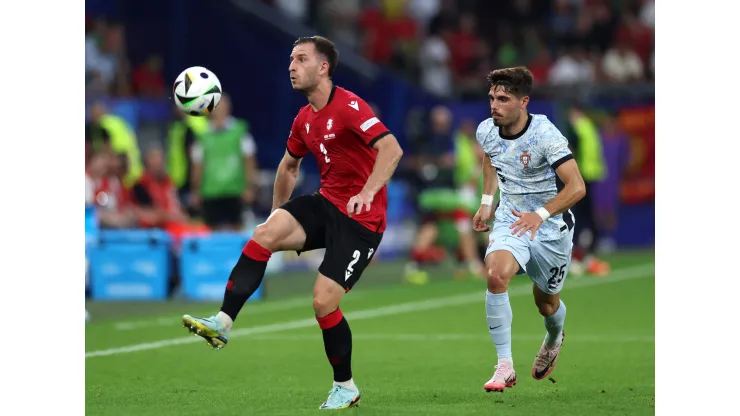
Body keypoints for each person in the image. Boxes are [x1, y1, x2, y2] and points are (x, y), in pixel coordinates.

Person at [181, 36, 404, 409]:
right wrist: (277, 215)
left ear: (323, 67)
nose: (291, 66)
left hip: (361, 222)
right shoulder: (304, 119)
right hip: (327, 203)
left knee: (322, 303)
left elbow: (392, 149)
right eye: (290, 60)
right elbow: (288, 166)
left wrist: (368, 191)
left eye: (301, 59)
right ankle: (222, 322)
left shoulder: (350, 106)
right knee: (263, 234)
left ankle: (345, 386)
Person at [472, 67, 586, 393]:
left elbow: (576, 187)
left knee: (546, 304)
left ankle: (554, 335)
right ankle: (504, 365)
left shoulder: (545, 135)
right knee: (495, 274)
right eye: (492, 97)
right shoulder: (487, 131)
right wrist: (486, 201)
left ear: (524, 102)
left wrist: (540, 213)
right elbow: (492, 158)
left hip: (551, 227)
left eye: (503, 99)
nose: (494, 104)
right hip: (511, 218)